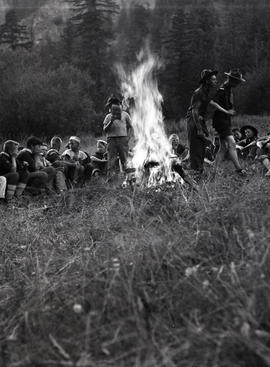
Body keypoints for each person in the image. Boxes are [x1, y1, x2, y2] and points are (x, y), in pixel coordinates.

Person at [186, 69, 235, 175]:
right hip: (193, 121)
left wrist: (226, 111)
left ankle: (199, 170)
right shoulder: (198, 92)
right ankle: (194, 172)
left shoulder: (208, 91)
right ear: (207, 81)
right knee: (196, 147)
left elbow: (212, 105)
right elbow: (194, 111)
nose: (215, 81)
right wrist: (199, 129)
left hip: (200, 120)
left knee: (203, 145)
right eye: (213, 79)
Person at [212, 69, 247, 175]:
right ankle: (239, 169)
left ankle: (214, 170)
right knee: (232, 143)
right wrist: (226, 111)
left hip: (225, 120)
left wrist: (229, 112)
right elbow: (212, 103)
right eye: (237, 81)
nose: (238, 84)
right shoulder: (222, 89)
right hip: (220, 120)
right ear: (232, 80)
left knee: (224, 147)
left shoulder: (229, 90)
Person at [103, 95, 133, 179]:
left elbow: (130, 127)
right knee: (112, 160)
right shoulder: (108, 116)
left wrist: (128, 137)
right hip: (111, 140)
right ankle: (113, 179)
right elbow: (105, 130)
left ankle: (128, 179)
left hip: (123, 139)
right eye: (110, 106)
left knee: (125, 160)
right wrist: (111, 122)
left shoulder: (125, 115)